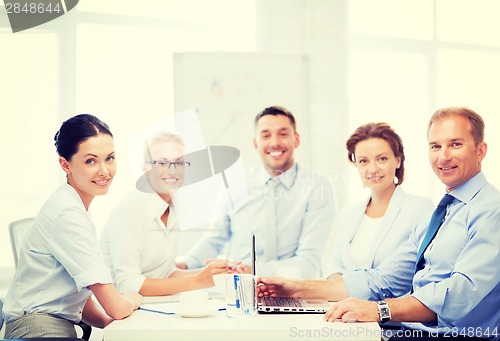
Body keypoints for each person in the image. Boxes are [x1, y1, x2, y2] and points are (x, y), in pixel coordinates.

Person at [258, 107, 500, 339]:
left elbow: (461, 293)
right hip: (410, 331)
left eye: (456, 144)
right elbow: (384, 279)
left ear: (480, 151)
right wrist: (297, 288)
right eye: (435, 146)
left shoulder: (491, 210)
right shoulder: (440, 214)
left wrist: (380, 310)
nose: (444, 156)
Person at [2, 114, 142, 339]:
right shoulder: (68, 214)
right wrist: (132, 299)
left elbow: (74, 295)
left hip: (50, 327)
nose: (104, 170)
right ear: (65, 164)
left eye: (110, 158)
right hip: (38, 331)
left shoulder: (71, 206)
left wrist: (110, 320)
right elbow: (115, 306)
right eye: (90, 161)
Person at [177, 106, 335, 278]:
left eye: (283, 134)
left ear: (296, 140)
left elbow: (309, 263)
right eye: (266, 135)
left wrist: (251, 270)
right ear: (255, 143)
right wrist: (184, 264)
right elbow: (215, 238)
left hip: (295, 292)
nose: (274, 142)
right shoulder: (234, 184)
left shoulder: (317, 186)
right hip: (239, 289)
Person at [99, 131, 231, 296]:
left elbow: (167, 273)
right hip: (120, 314)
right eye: (162, 163)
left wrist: (215, 273)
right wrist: (199, 280)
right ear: (145, 169)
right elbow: (128, 284)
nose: (172, 170)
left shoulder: (173, 207)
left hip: (154, 307)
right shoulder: (130, 209)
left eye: (179, 162)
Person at [324, 122, 433, 277]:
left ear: (398, 160)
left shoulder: (420, 209)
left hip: (391, 300)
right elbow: (334, 265)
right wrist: (338, 286)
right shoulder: (349, 214)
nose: (373, 169)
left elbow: (421, 272)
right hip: (345, 299)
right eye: (363, 161)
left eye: (382, 159)